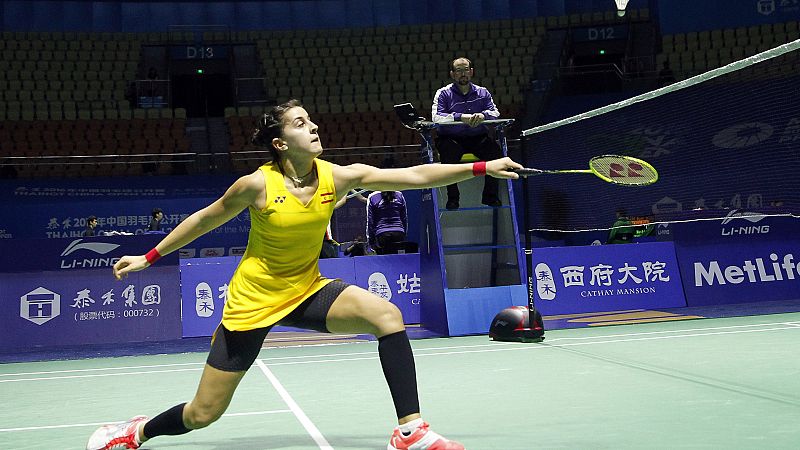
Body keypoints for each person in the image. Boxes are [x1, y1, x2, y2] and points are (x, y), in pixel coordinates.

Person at [86, 99, 522, 450]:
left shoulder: (337, 176)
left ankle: (410, 431)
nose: (313, 127)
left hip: (306, 288)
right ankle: (136, 433)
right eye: (300, 123)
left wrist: (481, 166)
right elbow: (204, 220)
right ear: (280, 143)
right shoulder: (255, 185)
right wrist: (149, 256)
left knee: (386, 317)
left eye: (310, 120)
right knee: (203, 413)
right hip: (253, 303)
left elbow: (412, 174)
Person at [432, 56, 503, 210]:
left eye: (465, 70)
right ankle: (453, 198)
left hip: (478, 137)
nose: (463, 73)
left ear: (471, 72)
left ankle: (490, 196)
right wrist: (460, 117)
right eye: (458, 70)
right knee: (448, 155)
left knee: (495, 153)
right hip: (451, 139)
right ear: (452, 74)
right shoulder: (443, 93)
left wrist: (484, 115)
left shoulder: (482, 92)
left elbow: (495, 112)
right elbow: (437, 117)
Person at [367, 190, 408, 254]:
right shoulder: (400, 195)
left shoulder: (373, 197)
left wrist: (371, 241)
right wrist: (404, 233)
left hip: (382, 235)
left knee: (384, 262)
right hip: (399, 233)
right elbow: (404, 218)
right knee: (398, 260)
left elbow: (370, 221)